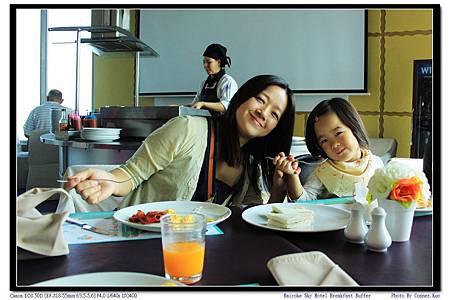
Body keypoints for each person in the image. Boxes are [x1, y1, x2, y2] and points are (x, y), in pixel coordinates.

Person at [64, 75, 296, 208]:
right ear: (241, 98)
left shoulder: (252, 167)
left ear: (276, 128)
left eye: (274, 114)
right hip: (143, 237)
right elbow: (132, 174)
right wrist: (111, 182)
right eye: (260, 99)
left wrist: (277, 192)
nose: (263, 112)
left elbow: (249, 218)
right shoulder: (187, 128)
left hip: (194, 249)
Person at [270, 98, 384, 201]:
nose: (334, 144)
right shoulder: (323, 172)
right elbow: (304, 201)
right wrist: (293, 176)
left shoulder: (376, 163)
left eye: (338, 133)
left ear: (354, 127)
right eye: (324, 141)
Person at [191, 43, 238, 115]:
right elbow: (195, 104)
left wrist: (203, 104)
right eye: (203, 62)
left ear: (219, 62)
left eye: (209, 62)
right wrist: (179, 107)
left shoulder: (227, 81)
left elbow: (226, 106)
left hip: (220, 124)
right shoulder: (204, 84)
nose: (205, 65)